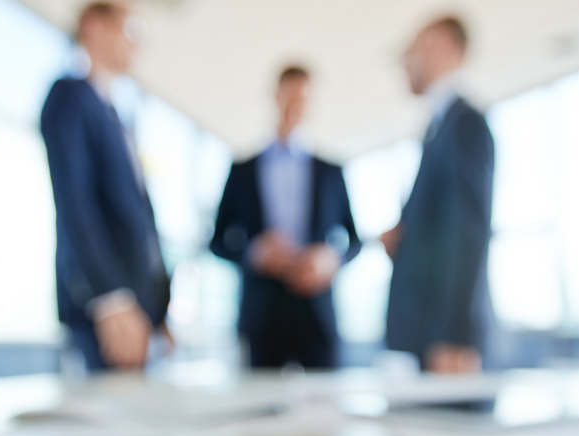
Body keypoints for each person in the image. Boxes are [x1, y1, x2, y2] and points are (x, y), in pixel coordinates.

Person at [40, 2, 169, 371]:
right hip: (107, 306)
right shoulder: (71, 97)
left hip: (137, 304)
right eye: (130, 30)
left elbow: (140, 218)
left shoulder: (116, 114)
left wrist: (159, 309)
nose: (137, 44)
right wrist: (109, 297)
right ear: (94, 27)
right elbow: (75, 202)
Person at [209, 66, 361, 368]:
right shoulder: (242, 171)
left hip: (317, 310)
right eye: (289, 95)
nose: (295, 105)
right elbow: (217, 241)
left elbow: (353, 241)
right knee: (259, 408)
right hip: (262, 310)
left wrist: (331, 259)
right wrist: (254, 253)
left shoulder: (331, 172)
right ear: (275, 97)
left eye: (303, 98)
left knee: (325, 409)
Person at [380, 16, 494, 374]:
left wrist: (454, 337)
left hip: (446, 344)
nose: (405, 63)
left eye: (412, 51)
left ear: (442, 46)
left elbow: (469, 233)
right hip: (426, 334)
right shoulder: (438, 128)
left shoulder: (465, 124)